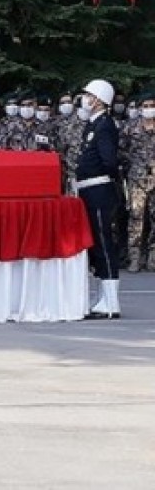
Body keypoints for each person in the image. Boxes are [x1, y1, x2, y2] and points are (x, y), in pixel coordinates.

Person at [74, 79, 122, 319]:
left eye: (88, 95)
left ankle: (112, 302)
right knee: (95, 245)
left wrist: (103, 178)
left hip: (99, 189)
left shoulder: (104, 125)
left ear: (99, 100)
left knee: (103, 243)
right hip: (87, 189)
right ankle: (102, 296)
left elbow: (109, 161)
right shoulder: (92, 124)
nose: (84, 99)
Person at [120, 92, 155, 272]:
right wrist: (133, 166)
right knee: (136, 217)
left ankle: (152, 257)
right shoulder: (130, 127)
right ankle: (134, 257)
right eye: (146, 106)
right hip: (137, 179)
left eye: (152, 106)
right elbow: (121, 150)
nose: (149, 110)